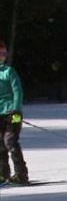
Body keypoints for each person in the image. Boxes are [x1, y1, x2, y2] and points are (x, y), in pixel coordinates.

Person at [0, 39, 28, 184]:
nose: (2, 57)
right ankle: (2, 173)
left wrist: (16, 109)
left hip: (12, 114)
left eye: (3, 54)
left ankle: (21, 174)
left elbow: (18, 91)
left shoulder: (8, 72)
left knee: (10, 141)